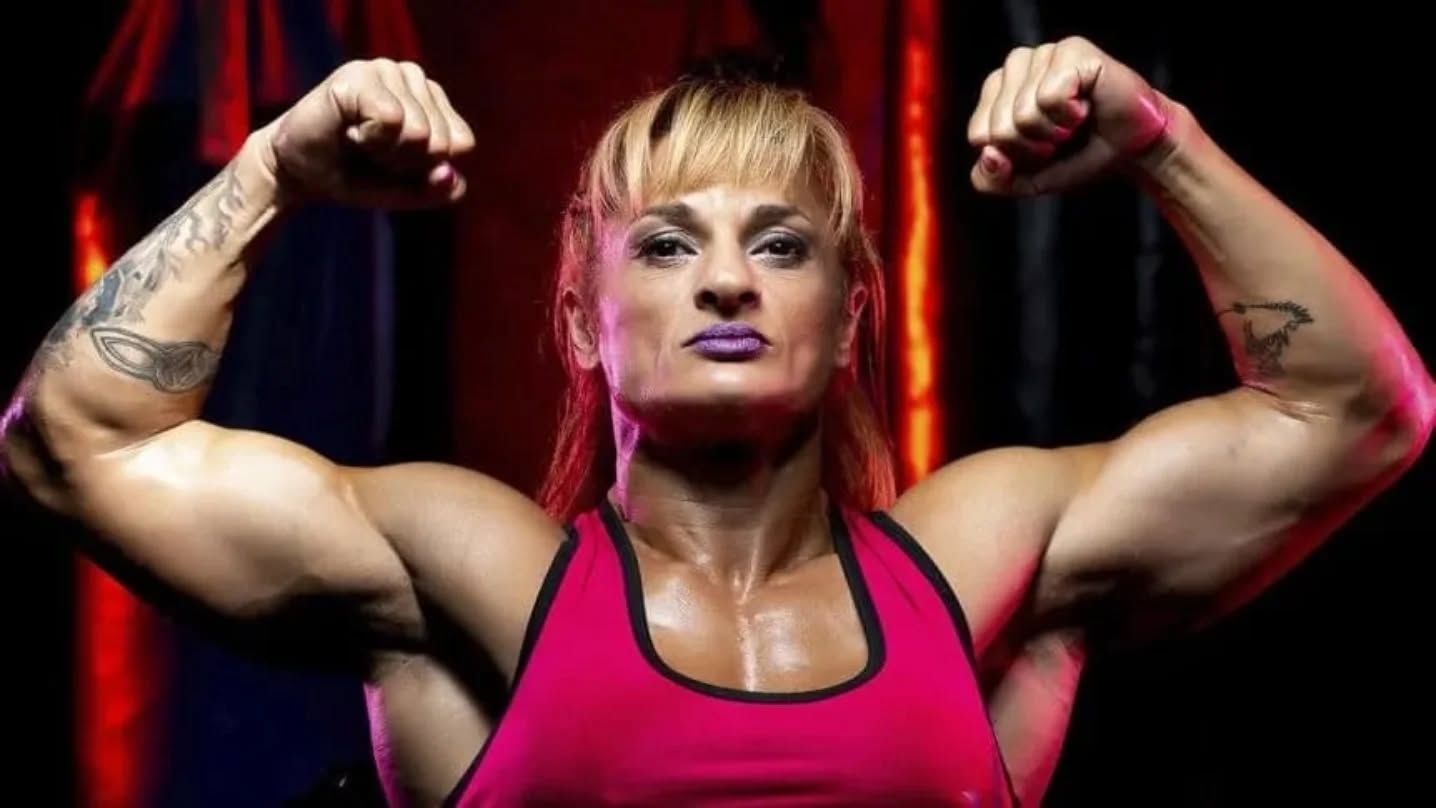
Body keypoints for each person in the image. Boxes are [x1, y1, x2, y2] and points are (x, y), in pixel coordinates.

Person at [2, 36, 1431, 807]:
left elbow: (1361, 411)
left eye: (783, 245)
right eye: (670, 245)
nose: (731, 281)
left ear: (852, 320)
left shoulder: (985, 559)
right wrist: (272, 169)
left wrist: (1164, 143)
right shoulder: (471, 572)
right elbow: (76, 441)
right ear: (582, 320)